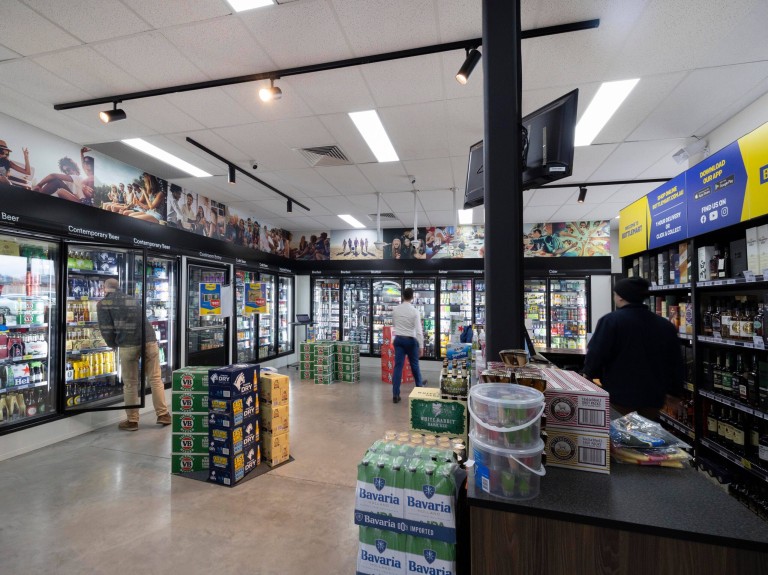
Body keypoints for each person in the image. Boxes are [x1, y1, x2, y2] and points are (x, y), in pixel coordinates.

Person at [582, 277, 683, 419]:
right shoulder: (665, 325)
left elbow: (597, 353)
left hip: (619, 397)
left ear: (621, 297)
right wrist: (674, 392)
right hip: (652, 399)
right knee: (647, 432)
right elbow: (675, 361)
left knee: (619, 431)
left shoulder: (611, 321)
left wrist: (588, 374)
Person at [97, 278, 171, 431]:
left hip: (128, 344)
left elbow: (106, 329)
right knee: (155, 378)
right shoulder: (132, 299)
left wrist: (112, 344)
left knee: (130, 383)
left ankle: (132, 421)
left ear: (105, 288)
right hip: (149, 340)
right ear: (118, 287)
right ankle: (163, 414)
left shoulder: (103, 304)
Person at [391, 287, 427, 403]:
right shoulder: (414, 311)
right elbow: (419, 331)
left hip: (399, 340)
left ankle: (395, 394)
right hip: (411, 341)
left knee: (398, 367)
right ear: (412, 297)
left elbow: (394, 324)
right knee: (414, 366)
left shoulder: (396, 310)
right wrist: (421, 346)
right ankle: (419, 389)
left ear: (402, 296)